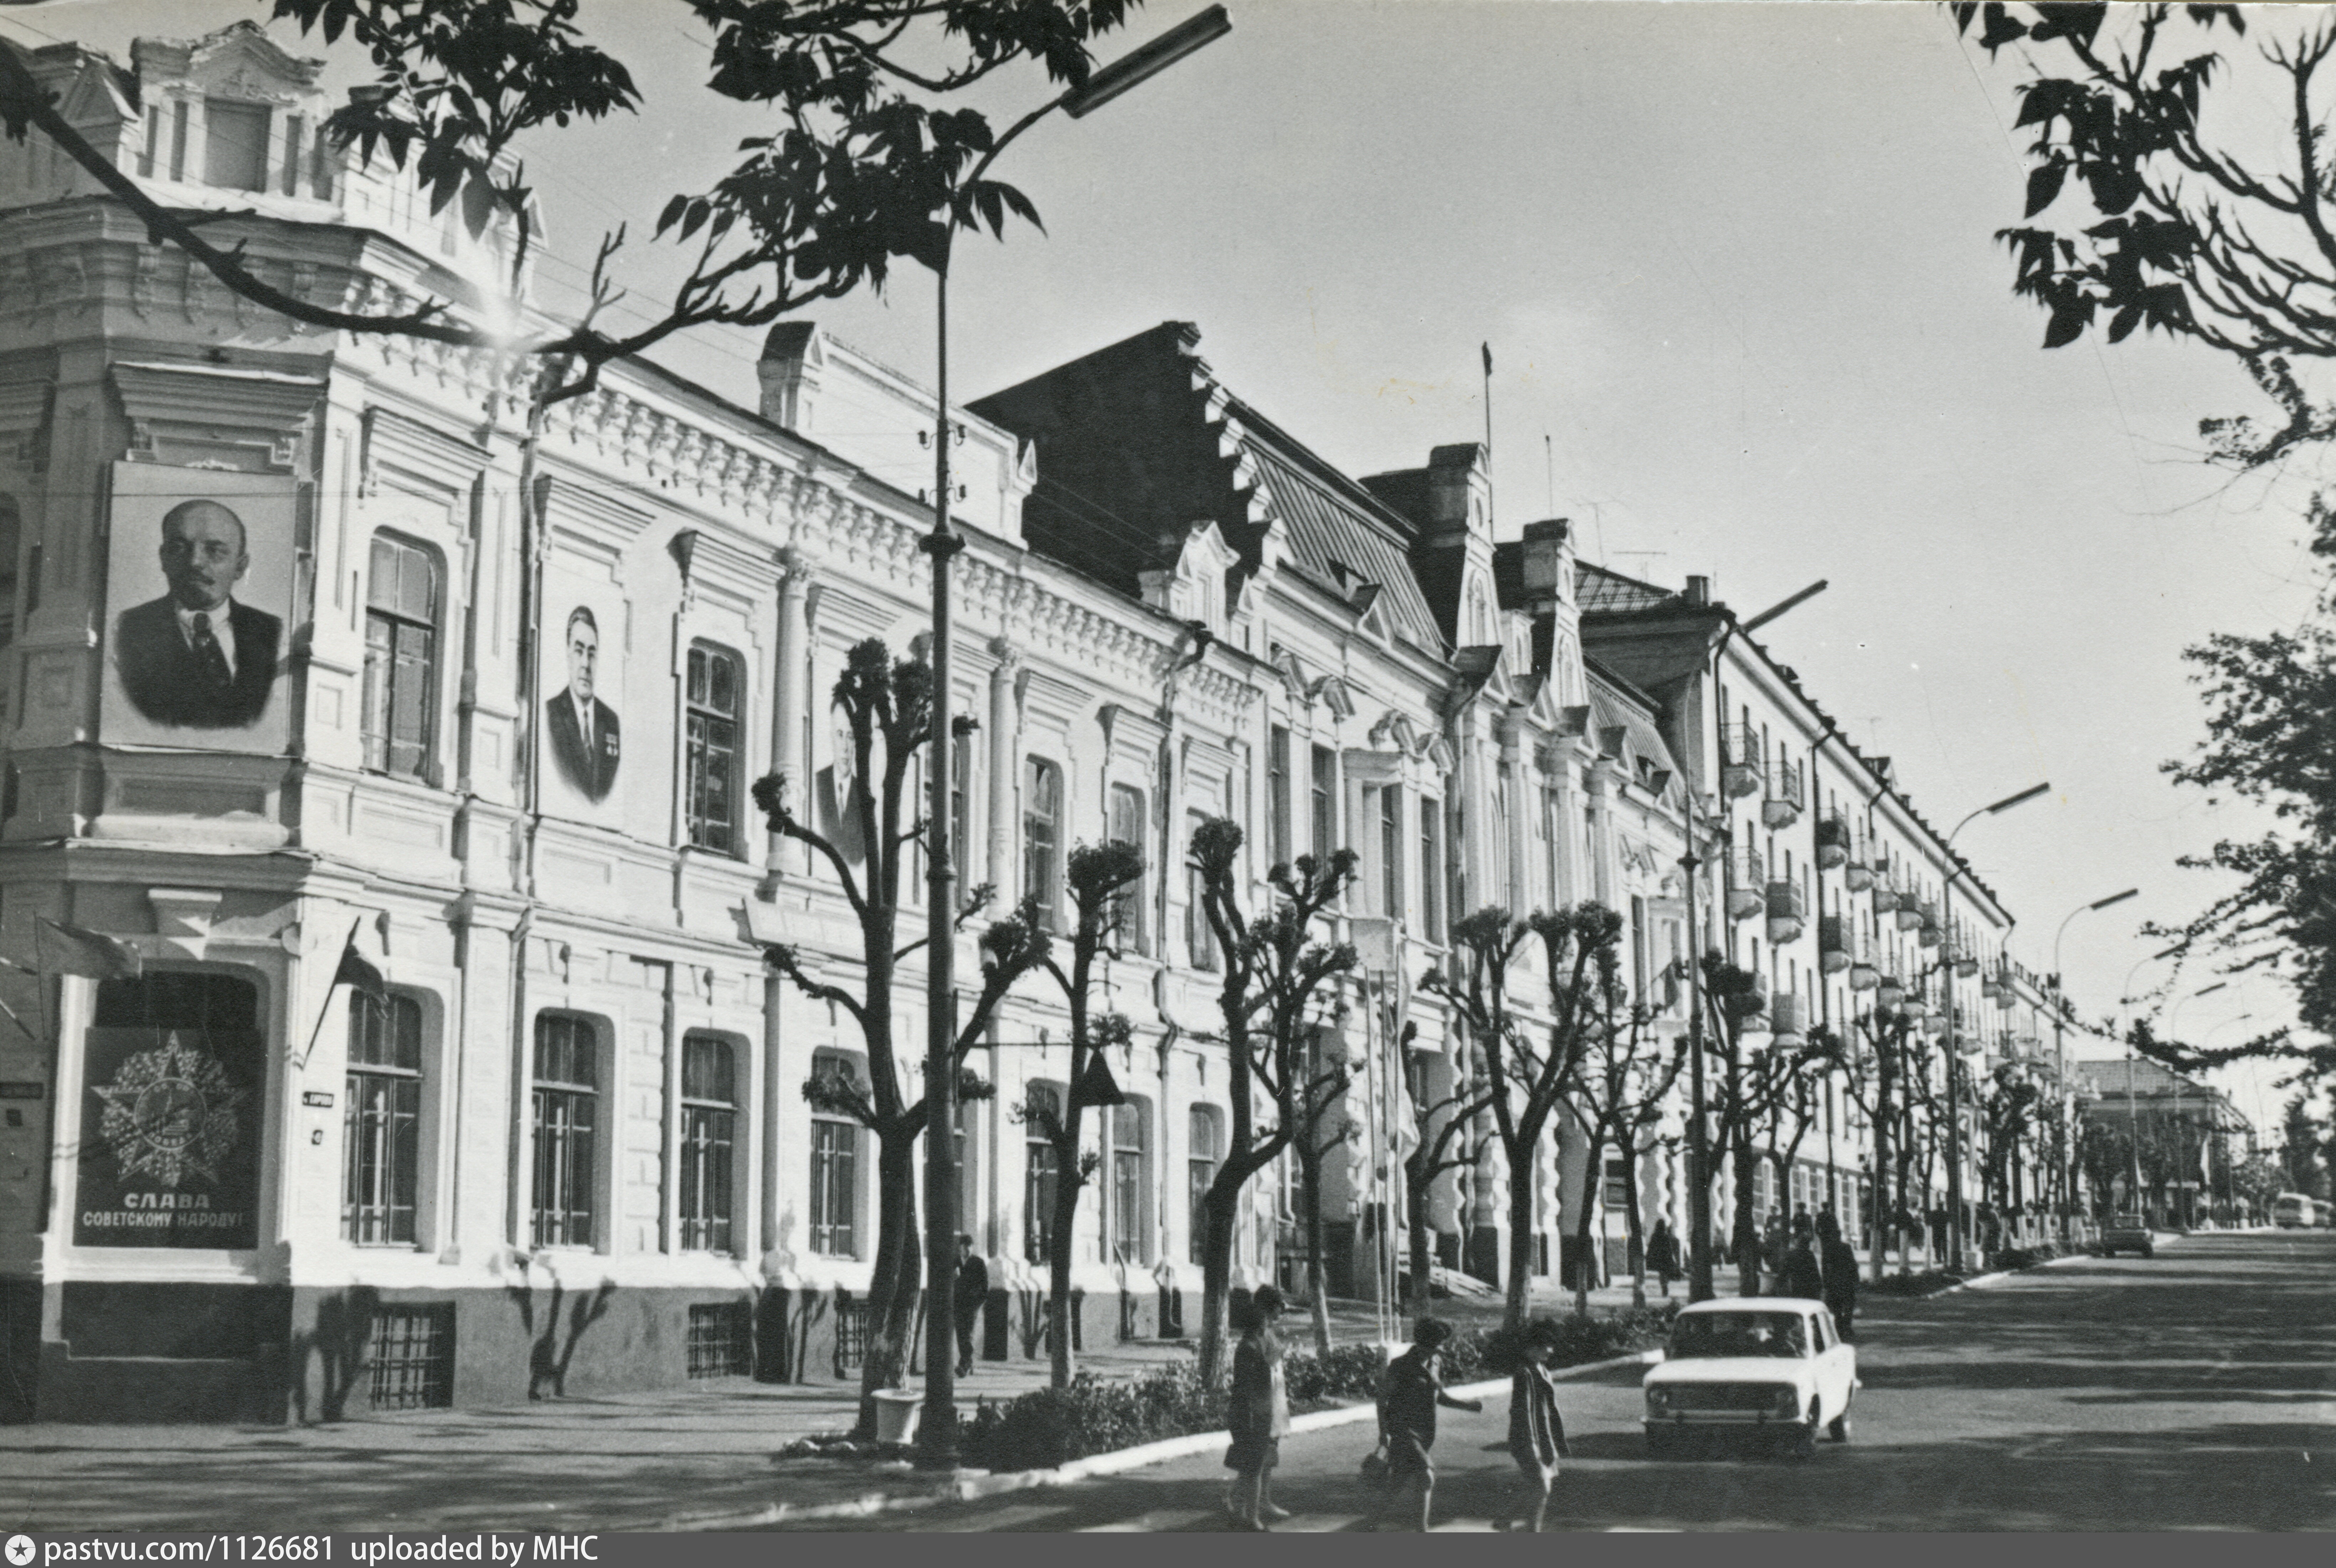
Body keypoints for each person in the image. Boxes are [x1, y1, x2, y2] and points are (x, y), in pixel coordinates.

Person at [113, 499, 282, 730]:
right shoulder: (127, 629)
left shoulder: (273, 633)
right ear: (164, 558)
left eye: (214, 551)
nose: (195, 562)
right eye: (180, 548)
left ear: (241, 567)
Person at [1374, 1317, 1482, 1532]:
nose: (1441, 1349)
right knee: (1426, 1474)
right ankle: (1421, 1530)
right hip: (1403, 1430)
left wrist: (1465, 1405)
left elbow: (1438, 1396)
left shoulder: (1436, 1363)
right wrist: (1383, 1432)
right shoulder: (1401, 1366)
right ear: (1424, 1344)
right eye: (1437, 1345)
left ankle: (1370, 1522)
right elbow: (1381, 1398)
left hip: (1425, 1432)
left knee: (1399, 1481)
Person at [1224, 1286, 1292, 1530]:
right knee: (1254, 1460)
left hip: (1269, 1401)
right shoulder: (1251, 1344)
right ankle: (1243, 1506)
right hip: (1257, 1406)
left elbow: (1271, 1358)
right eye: (1277, 1306)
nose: (1278, 1314)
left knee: (1264, 1456)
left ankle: (1256, 1504)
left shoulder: (1264, 1336)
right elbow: (1253, 1374)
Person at [1498, 1318, 1571, 1533]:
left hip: (1544, 1438)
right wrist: (1532, 1445)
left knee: (1537, 1487)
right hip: (1527, 1439)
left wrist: (1556, 1442)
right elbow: (1523, 1412)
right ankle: (1532, 1530)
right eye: (1543, 1346)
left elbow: (1550, 1410)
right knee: (1542, 1487)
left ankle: (1506, 1519)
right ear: (1530, 1349)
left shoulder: (1543, 1370)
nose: (1550, 1350)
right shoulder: (1524, 1374)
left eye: (1550, 1344)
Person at [545, 605, 622, 801]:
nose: (586, 664)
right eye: (579, 651)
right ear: (568, 654)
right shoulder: (551, 714)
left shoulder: (611, 721)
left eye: (592, 653)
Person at [1817, 1211, 1859, 1341]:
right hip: (1846, 1280)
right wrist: (1856, 1279)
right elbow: (1853, 1264)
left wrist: (1825, 1282)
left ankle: (1839, 1327)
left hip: (1834, 1281)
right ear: (1840, 1236)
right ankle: (1846, 1326)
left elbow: (1824, 1268)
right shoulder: (1846, 1248)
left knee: (1836, 1306)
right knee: (1849, 1305)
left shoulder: (1828, 1248)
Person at [953, 1235, 988, 1377]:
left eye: (969, 1247)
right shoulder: (954, 1262)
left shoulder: (978, 1263)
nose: (966, 1250)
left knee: (967, 1334)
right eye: (963, 1247)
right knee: (961, 1335)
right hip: (957, 1304)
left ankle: (965, 1364)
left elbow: (985, 1287)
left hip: (971, 1305)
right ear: (960, 1248)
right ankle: (968, 1363)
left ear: (972, 1247)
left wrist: (976, 1303)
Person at [1781, 1225, 1826, 1300]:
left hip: (1797, 1285)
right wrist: (1819, 1287)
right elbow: (1815, 1272)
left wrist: (1781, 1282)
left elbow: (1784, 1272)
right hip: (1809, 1287)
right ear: (1807, 1245)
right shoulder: (1810, 1255)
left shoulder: (1792, 1255)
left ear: (1798, 1243)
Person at [1648, 1218, 1681, 1299]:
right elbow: (1669, 1248)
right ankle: (1665, 1286)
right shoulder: (1665, 1236)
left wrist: (1651, 1257)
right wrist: (1673, 1258)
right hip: (1666, 1257)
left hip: (1658, 1258)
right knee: (1666, 1273)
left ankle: (1664, 1287)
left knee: (1662, 1274)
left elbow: (1651, 1247)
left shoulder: (1654, 1236)